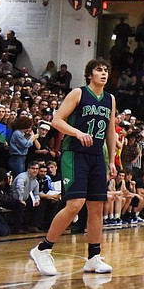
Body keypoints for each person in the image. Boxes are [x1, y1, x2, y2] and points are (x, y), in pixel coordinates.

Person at [28, 58, 118, 277]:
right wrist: (77, 133)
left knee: (96, 207)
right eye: (99, 70)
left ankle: (93, 257)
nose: (103, 74)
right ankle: (43, 249)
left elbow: (110, 131)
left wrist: (112, 160)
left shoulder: (110, 99)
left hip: (97, 156)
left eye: (106, 70)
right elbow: (57, 120)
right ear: (90, 74)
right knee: (75, 204)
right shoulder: (78, 93)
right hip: (74, 154)